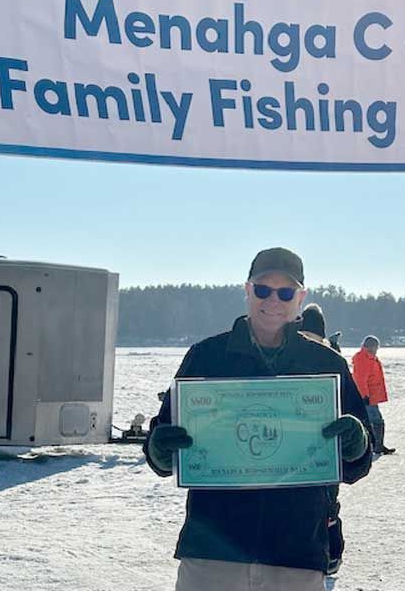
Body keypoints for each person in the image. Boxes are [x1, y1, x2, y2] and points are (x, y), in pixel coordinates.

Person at [144, 248, 372, 591]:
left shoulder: (327, 366)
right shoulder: (207, 357)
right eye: (263, 290)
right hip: (213, 554)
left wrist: (358, 444)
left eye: (285, 292)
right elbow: (164, 449)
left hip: (295, 554)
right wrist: (159, 449)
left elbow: (356, 465)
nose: (273, 301)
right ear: (247, 290)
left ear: (301, 298)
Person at [300, 302, 345, 576]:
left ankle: (332, 553)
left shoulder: (330, 358)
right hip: (298, 443)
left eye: (314, 338)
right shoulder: (290, 355)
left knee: (328, 503)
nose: (309, 342)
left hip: (325, 446)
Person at [352, 335, 396, 455]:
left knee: (373, 420)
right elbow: (360, 379)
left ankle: (376, 445)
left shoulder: (370, 358)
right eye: (376, 346)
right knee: (375, 421)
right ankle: (376, 446)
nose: (377, 349)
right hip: (367, 397)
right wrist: (364, 396)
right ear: (371, 346)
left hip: (371, 396)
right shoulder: (363, 359)